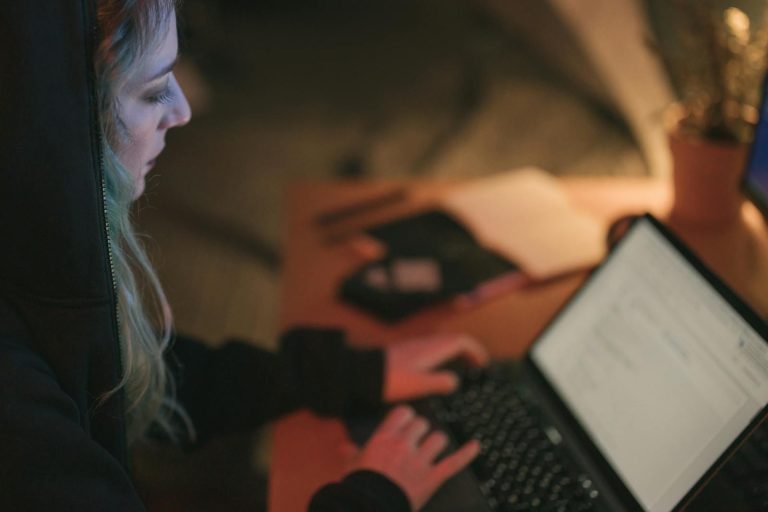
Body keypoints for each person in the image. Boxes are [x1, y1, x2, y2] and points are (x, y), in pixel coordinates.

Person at [0, 1, 486, 510]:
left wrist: (342, 374)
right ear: (53, 125)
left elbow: (131, 384)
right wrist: (375, 495)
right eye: (151, 91)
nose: (183, 110)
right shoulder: (17, 413)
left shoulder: (33, 259)